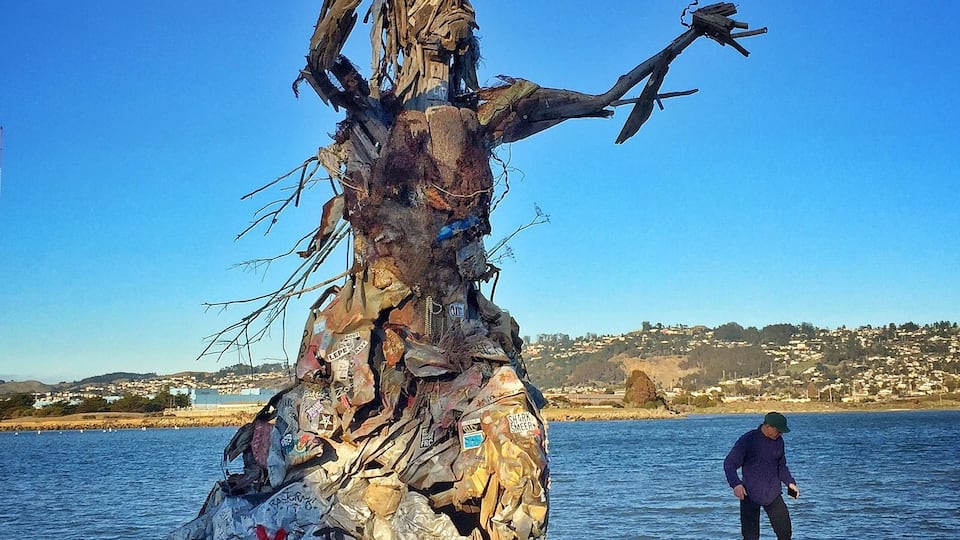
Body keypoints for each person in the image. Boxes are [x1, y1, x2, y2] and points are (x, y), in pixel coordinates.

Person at [724, 412, 799, 540]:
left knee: (785, 533)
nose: (781, 434)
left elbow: (781, 466)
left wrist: (790, 483)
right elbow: (729, 464)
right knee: (751, 537)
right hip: (749, 494)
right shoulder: (748, 440)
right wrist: (736, 484)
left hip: (773, 494)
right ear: (768, 426)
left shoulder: (779, 442)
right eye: (779, 431)